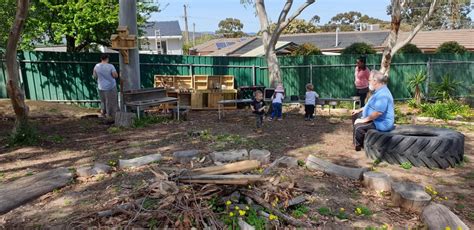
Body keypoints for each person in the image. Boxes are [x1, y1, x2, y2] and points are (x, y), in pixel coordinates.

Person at [352, 70, 395, 151]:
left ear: (375, 81)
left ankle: (359, 146)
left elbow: (378, 113)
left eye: (369, 80)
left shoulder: (383, 94)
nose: (368, 82)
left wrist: (363, 120)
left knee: (359, 127)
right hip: (375, 119)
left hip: (382, 122)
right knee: (355, 115)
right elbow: (369, 105)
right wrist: (359, 110)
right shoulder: (378, 91)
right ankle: (357, 141)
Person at [93, 54, 119, 119]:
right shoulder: (110, 66)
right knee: (111, 101)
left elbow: (95, 76)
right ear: (107, 59)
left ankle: (103, 113)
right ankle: (110, 114)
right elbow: (115, 75)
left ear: (101, 59)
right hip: (111, 86)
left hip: (101, 86)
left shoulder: (97, 66)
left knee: (103, 101)